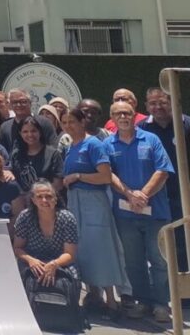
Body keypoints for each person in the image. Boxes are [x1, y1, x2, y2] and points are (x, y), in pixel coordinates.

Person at [106, 100, 173, 323]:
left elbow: (162, 170)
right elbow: (109, 174)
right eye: (118, 114)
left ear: (134, 116)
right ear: (112, 118)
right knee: (133, 262)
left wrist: (142, 194)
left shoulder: (151, 139)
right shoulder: (108, 144)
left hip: (156, 213)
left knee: (159, 260)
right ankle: (143, 302)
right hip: (125, 214)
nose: (123, 117)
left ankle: (161, 304)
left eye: (127, 113)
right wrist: (129, 195)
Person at [61, 106, 129, 319]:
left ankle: (112, 302)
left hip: (94, 203)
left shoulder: (94, 144)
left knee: (102, 249)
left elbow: (105, 177)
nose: (68, 126)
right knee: (84, 250)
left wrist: (79, 176)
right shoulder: (71, 146)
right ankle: (94, 296)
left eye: (72, 121)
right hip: (75, 202)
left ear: (82, 122)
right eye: (65, 122)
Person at [13, 180, 81, 326]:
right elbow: (17, 248)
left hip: (61, 261)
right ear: (33, 200)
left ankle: (68, 313)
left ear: (55, 199)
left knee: (73, 275)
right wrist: (31, 260)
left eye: (49, 196)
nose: (45, 200)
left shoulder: (67, 218)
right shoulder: (25, 217)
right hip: (32, 260)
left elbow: (70, 254)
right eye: (40, 196)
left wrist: (54, 264)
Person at [140, 86, 190, 272]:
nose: (158, 107)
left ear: (172, 103)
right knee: (161, 244)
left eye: (162, 102)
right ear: (146, 106)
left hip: (183, 192)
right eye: (153, 103)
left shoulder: (185, 124)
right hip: (157, 194)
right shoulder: (142, 129)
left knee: (185, 240)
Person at [9, 116, 63, 197]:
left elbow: (58, 184)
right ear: (20, 133)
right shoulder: (16, 155)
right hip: (23, 202)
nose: (30, 135)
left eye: (33, 131)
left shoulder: (53, 154)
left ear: (40, 132)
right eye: (25, 132)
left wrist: (38, 197)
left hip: (47, 201)